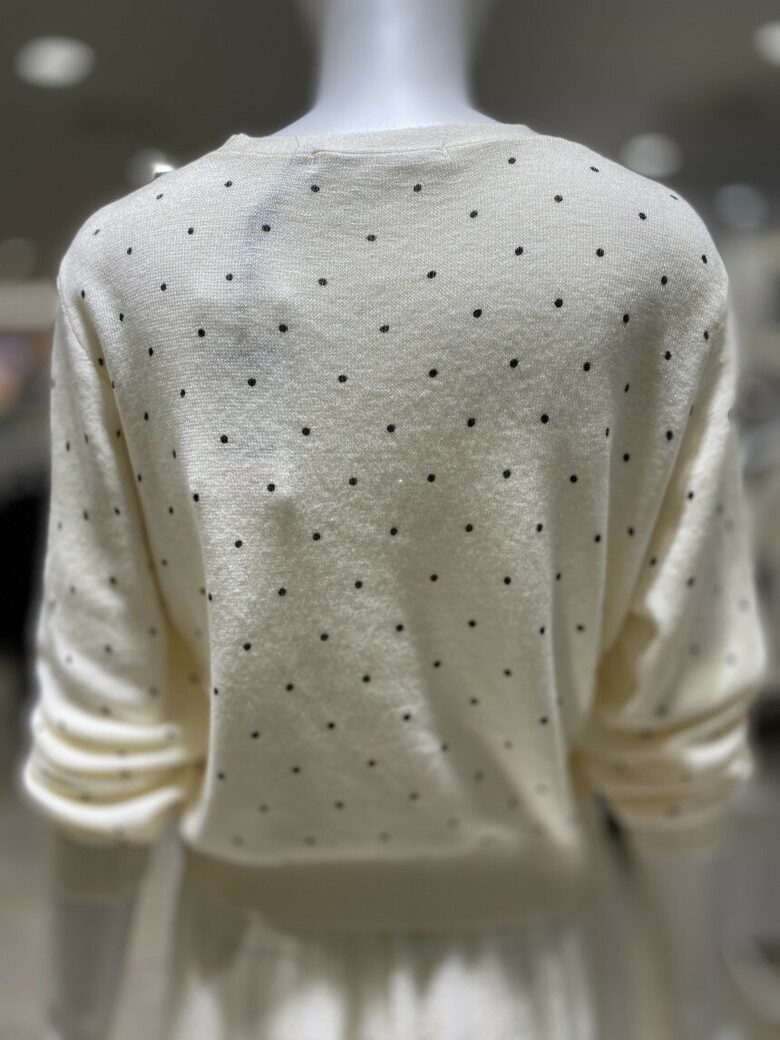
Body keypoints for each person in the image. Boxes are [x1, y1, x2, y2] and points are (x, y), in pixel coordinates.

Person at [19, 1, 769, 1037]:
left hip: (248, 974)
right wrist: (698, 1009)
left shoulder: (130, 259)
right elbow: (679, 720)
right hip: (529, 978)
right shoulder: (647, 249)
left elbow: (106, 710)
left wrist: (76, 1016)